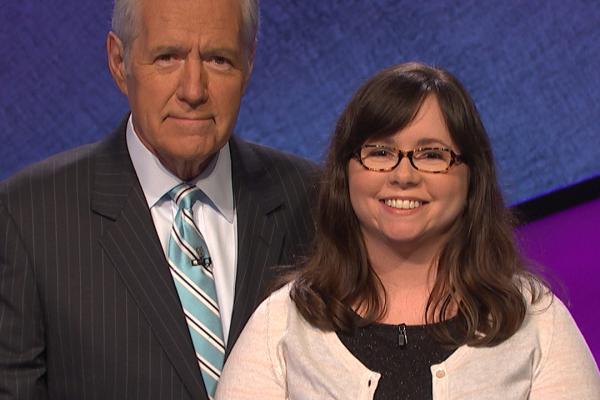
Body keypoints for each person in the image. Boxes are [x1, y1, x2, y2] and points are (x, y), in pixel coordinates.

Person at [215, 62, 600, 399]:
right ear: (346, 173)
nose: (403, 175)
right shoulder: (284, 323)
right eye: (380, 152)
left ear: (472, 178)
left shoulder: (533, 320)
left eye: (432, 154)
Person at [0, 0, 319, 399]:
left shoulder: (314, 200)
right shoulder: (28, 216)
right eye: (167, 57)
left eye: (218, 60)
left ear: (249, 62)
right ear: (120, 61)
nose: (193, 90)